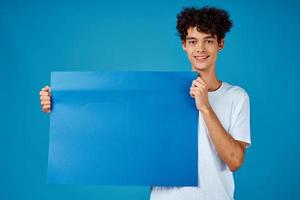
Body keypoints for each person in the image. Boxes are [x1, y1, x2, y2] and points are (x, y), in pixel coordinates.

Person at [40, 6, 251, 200]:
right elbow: (114, 122)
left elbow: (234, 160)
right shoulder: (161, 93)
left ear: (220, 43)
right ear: (184, 46)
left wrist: (205, 107)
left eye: (209, 40)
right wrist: (62, 105)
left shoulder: (236, 96)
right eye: (193, 41)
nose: (200, 48)